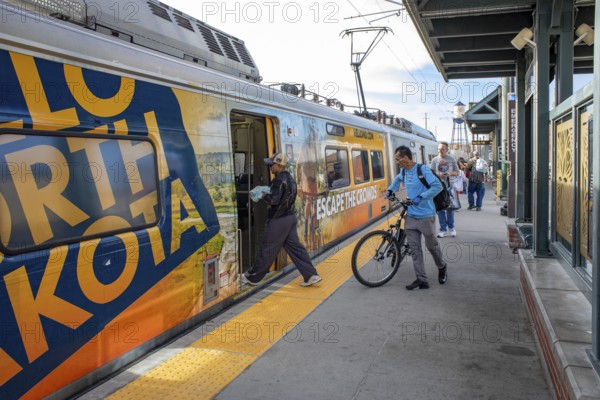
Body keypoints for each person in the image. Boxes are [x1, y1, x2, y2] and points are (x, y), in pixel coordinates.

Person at [242, 152, 322, 287]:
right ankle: (311, 275)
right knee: (296, 248)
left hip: (278, 220)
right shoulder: (290, 179)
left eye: (271, 165)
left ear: (278, 165)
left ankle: (252, 277)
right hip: (290, 218)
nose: (270, 168)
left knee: (267, 248)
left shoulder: (279, 180)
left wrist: (262, 194)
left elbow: (273, 200)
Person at [387, 146, 448, 290]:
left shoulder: (423, 170)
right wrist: (391, 190)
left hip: (426, 216)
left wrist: (421, 197)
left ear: (406, 157)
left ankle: (442, 266)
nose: (397, 162)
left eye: (398, 159)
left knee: (432, 246)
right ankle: (422, 280)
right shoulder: (403, 171)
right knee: (415, 250)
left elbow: (437, 186)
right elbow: (396, 181)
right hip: (411, 216)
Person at [429, 142, 459, 237]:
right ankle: (442, 229)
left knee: (450, 208)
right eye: (439, 149)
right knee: (440, 209)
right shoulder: (434, 160)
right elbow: (430, 173)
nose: (440, 151)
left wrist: (449, 174)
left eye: (442, 149)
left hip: (449, 187)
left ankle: (451, 228)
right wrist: (438, 175)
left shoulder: (451, 159)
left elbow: (457, 172)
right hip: (438, 187)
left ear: (447, 150)